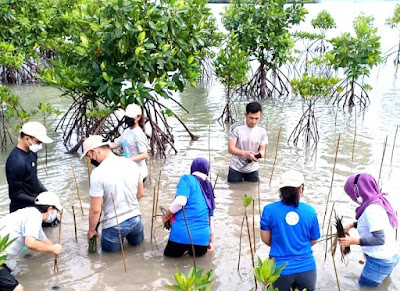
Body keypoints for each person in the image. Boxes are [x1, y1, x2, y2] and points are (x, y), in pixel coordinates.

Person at [82, 135, 145, 252]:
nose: (90, 159)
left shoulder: (97, 173)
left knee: (108, 263)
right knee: (138, 253)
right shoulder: (132, 164)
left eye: (89, 155)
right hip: (136, 219)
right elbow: (141, 193)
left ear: (95, 151)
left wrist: (91, 231)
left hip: (113, 226)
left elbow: (96, 210)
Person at [260, 170, 320, 291]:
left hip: (279, 269)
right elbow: (314, 240)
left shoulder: (269, 210)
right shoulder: (310, 211)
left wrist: (281, 244)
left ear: (281, 190)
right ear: (301, 189)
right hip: (307, 268)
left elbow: (265, 239)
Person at [338, 173, 399, 287]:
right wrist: (352, 224)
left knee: (365, 287)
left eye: (351, 194)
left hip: (380, 260)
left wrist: (353, 241)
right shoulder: (379, 200)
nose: (352, 198)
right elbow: (376, 224)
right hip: (391, 255)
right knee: (383, 285)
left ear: (358, 192)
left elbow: (379, 239)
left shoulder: (371, 210)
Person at [0, 191, 63, 291]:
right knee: (18, 289)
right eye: (56, 210)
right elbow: (30, 243)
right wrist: (53, 248)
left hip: (2, 258)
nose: (55, 214)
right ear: (50, 209)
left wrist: (58, 249)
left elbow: (43, 240)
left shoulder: (30, 212)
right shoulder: (34, 217)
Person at [162, 158, 215, 257]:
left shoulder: (187, 179)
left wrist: (166, 217)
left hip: (181, 234)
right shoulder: (209, 187)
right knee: (197, 270)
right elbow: (210, 218)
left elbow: (180, 202)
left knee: (169, 265)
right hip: (202, 239)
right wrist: (211, 241)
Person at [5, 121, 53, 213]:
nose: (39, 145)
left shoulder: (32, 153)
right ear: (27, 139)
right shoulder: (16, 162)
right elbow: (15, 195)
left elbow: (33, 179)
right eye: (38, 142)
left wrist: (47, 194)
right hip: (21, 209)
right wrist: (38, 201)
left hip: (33, 200)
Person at [227, 101, 268, 183]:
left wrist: (260, 154)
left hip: (253, 168)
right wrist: (245, 154)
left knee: (253, 192)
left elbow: (262, 149)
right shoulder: (236, 128)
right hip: (236, 167)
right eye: (251, 118)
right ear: (245, 115)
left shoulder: (262, 130)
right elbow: (230, 149)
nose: (254, 122)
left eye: (257, 118)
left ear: (260, 116)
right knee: (233, 192)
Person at [110, 103, 150, 181]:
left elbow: (145, 155)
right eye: (127, 117)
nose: (128, 119)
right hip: (129, 171)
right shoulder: (126, 131)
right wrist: (100, 144)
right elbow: (115, 144)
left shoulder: (138, 134)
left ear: (138, 117)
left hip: (139, 174)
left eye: (131, 117)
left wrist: (127, 160)